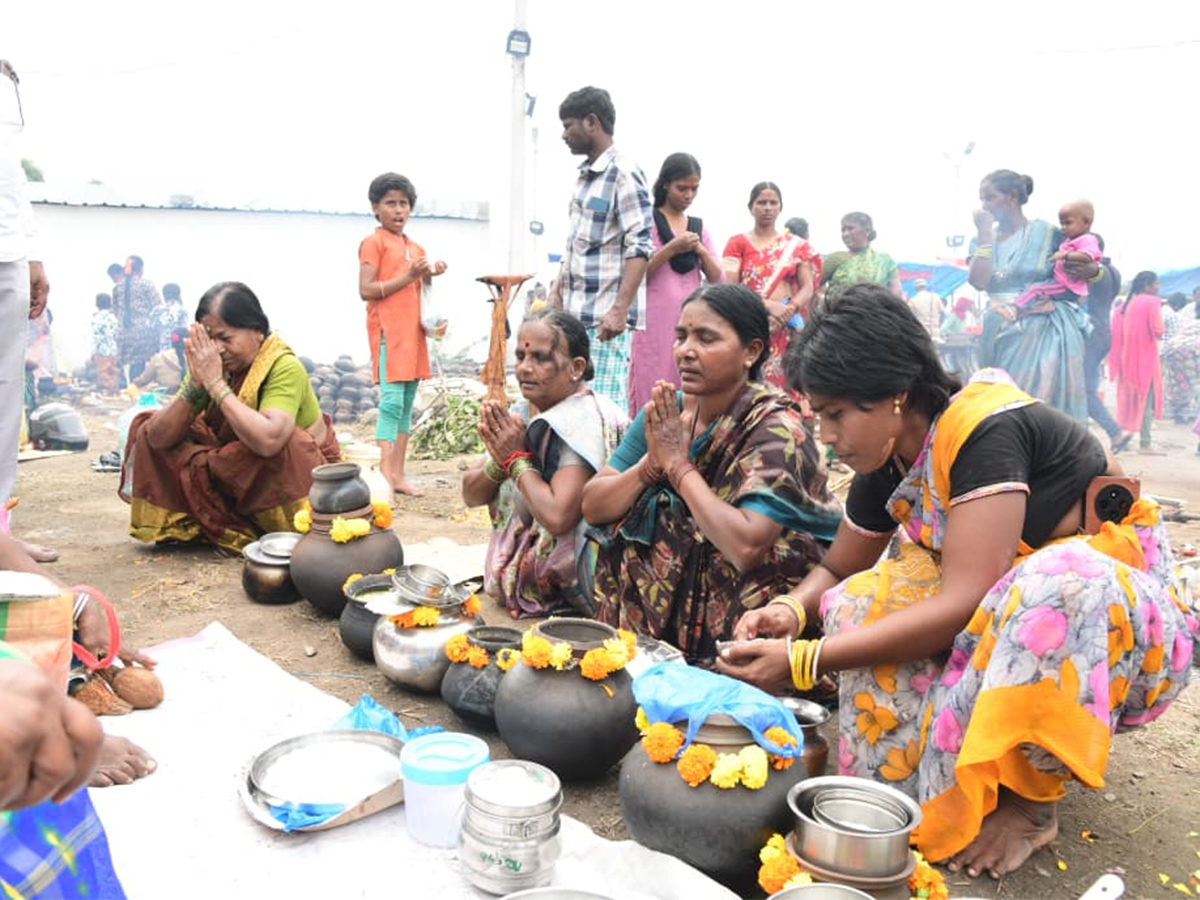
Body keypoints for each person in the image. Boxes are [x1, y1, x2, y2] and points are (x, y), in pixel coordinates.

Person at [717, 284, 1194, 879]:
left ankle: (1030, 804)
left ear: (895, 395)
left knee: (1057, 581)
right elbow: (843, 566)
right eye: (820, 416)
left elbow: (967, 598)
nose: (828, 436)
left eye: (836, 414)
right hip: (1010, 610)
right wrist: (790, 611)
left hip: (1123, 629)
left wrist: (806, 660)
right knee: (865, 598)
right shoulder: (890, 454)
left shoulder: (981, 429)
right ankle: (924, 785)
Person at [582, 283, 842, 662]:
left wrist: (678, 467)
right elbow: (592, 505)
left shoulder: (775, 427)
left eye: (706, 339)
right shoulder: (664, 412)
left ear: (751, 352)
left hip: (754, 608)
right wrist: (650, 467)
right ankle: (653, 654)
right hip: (669, 611)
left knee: (697, 532)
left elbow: (746, 546)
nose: (686, 351)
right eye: (681, 336)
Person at [123, 281, 339, 552]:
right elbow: (158, 438)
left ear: (257, 331)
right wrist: (196, 385)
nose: (218, 349)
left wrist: (215, 384)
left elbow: (269, 441)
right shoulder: (211, 363)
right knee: (148, 426)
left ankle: (278, 528)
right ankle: (206, 522)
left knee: (287, 442)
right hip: (239, 468)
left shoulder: (283, 366)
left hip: (295, 475)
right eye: (210, 339)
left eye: (226, 338)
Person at [464, 309, 628, 618]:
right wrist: (502, 461)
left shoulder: (582, 418)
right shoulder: (523, 414)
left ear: (576, 367)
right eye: (521, 357)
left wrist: (516, 459)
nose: (525, 368)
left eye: (540, 358)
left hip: (583, 583)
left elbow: (558, 516)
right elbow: (470, 495)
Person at [548, 86, 653, 410]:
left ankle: (609, 464)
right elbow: (576, 246)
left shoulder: (623, 173)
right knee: (574, 408)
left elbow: (639, 244)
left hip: (605, 320)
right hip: (575, 317)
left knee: (604, 408)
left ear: (591, 122)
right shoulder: (585, 179)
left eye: (569, 125)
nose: (564, 135)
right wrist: (556, 291)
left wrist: (619, 310)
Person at [968, 169, 1100, 422]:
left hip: (1046, 332)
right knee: (999, 410)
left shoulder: (1049, 234)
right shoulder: (982, 239)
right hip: (997, 331)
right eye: (981, 199)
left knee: (1036, 412)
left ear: (1013, 197)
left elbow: (1088, 269)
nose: (984, 206)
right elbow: (978, 281)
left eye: (990, 198)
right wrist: (985, 236)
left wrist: (1094, 271)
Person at [358, 172, 447, 498]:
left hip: (413, 334)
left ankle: (397, 475)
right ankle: (383, 475)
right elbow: (366, 290)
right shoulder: (374, 242)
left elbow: (421, 292)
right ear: (375, 208)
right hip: (388, 334)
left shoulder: (416, 247)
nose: (398, 210)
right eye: (390, 203)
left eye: (404, 204)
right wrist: (410, 273)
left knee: (408, 404)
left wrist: (430, 274)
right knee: (392, 403)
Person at [0, 58, 56, 564]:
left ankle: (1, 535)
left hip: (8, 252)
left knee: (4, 398)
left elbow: (10, 173)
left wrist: (31, 253)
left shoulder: (4, 78)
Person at [628, 152, 722, 416]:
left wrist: (700, 251)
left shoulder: (698, 227)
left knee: (687, 384)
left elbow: (718, 278)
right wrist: (671, 248)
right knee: (652, 387)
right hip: (653, 325)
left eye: (694, 189)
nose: (688, 195)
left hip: (690, 323)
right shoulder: (646, 221)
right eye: (683, 188)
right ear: (666, 184)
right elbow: (636, 273)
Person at [721, 182, 818, 390]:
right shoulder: (737, 243)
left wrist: (786, 312)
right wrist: (767, 306)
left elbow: (807, 287)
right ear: (751, 207)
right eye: (761, 202)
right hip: (749, 323)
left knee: (783, 387)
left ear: (780, 208)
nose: (767, 208)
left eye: (773, 203)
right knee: (748, 385)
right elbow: (731, 287)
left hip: (785, 326)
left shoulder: (796, 245)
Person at [1082, 240, 1132, 451]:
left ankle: (1115, 432)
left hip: (1091, 335)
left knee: (1083, 391)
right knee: (1087, 389)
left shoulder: (1093, 273)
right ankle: (1114, 433)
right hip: (1103, 334)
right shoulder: (1112, 271)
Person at [1012, 199, 1102, 312]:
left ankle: (1015, 308)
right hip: (1054, 287)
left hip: (1066, 287)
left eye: (1067, 223)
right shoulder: (1068, 239)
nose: (1063, 227)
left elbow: (1091, 261)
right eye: (1061, 223)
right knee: (1035, 291)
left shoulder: (1085, 239)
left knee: (1035, 289)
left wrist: (1094, 271)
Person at [1109, 272, 1164, 455]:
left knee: (1128, 402)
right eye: (1156, 284)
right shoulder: (1152, 302)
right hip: (1145, 359)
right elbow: (1158, 330)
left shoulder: (1125, 306)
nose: (1158, 287)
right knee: (1146, 401)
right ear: (1147, 285)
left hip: (1126, 360)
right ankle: (1145, 443)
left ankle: (1122, 438)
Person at [824, 211, 902, 300]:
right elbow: (813, 286)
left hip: (876, 312)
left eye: (850, 228)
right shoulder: (835, 259)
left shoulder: (885, 260)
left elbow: (896, 291)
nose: (845, 234)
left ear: (867, 231)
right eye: (843, 230)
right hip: (840, 312)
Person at [114, 255, 163, 383]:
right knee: (145, 363)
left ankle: (130, 389)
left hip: (124, 334)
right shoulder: (146, 285)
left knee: (132, 364)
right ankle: (142, 390)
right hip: (144, 334)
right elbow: (158, 308)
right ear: (140, 269)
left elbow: (115, 311)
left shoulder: (117, 287)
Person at [1162, 302, 1200, 425]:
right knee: (1194, 385)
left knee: (1180, 385)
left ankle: (1179, 415)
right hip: (1192, 353)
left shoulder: (1189, 324)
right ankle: (1191, 415)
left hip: (1173, 351)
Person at [132, 326, 186, 392]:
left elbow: (144, 380)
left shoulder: (159, 358)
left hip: (165, 398)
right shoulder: (196, 358)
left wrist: (133, 384)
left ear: (172, 341)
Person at [91, 293, 120, 395]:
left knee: (103, 374)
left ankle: (108, 395)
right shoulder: (114, 318)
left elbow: (96, 337)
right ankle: (115, 393)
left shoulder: (96, 318)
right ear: (110, 304)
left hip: (101, 351)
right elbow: (117, 334)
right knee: (113, 373)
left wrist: (93, 353)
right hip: (113, 350)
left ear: (97, 304)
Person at [156, 282, 189, 351]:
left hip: (161, 350)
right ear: (178, 295)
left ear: (164, 295)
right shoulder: (182, 310)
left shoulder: (157, 310)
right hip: (178, 350)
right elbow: (184, 331)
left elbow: (151, 331)